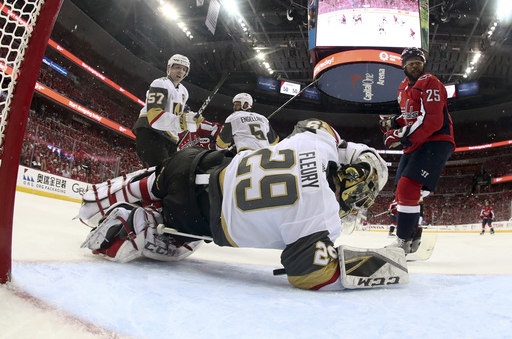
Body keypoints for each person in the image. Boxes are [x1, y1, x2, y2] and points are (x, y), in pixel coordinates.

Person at [77, 119, 410, 291]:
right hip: (197, 218)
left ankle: (98, 199)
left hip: (198, 162)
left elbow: (314, 127)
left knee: (161, 178)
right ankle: (134, 225)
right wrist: (379, 266)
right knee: (181, 239)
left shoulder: (317, 140)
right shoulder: (323, 219)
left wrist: (342, 149)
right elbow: (308, 273)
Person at [380, 47, 455, 254]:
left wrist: (403, 136)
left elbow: (431, 120)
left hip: (436, 139)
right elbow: (410, 115)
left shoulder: (430, 82)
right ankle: (412, 236)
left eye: (418, 61)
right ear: (403, 65)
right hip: (417, 142)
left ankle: (402, 241)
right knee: (402, 193)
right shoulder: (403, 87)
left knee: (408, 186)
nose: (415, 65)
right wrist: (394, 122)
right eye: (411, 62)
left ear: (423, 64)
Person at [133, 54, 203, 167]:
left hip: (168, 136)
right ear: (169, 68)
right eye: (177, 67)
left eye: (184, 69)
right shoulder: (160, 83)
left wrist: (191, 118)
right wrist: (181, 122)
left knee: (171, 175)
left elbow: (180, 112)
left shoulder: (184, 91)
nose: (181, 71)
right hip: (151, 131)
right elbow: (154, 118)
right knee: (159, 173)